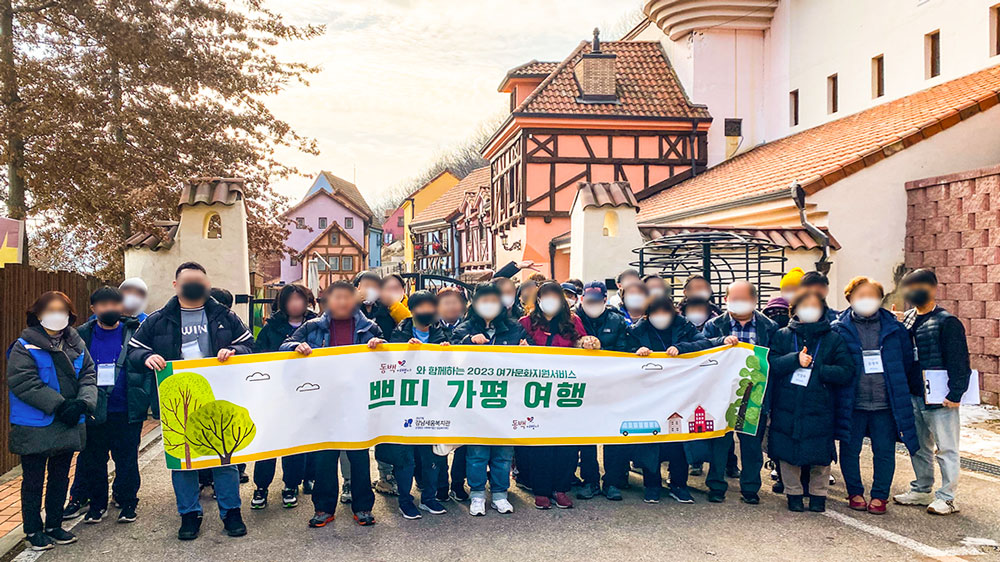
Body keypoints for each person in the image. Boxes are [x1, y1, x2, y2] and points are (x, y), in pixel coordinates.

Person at [126, 262, 253, 540]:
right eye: (188, 282)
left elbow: (249, 345)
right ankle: (189, 514)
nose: (195, 287)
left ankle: (231, 512)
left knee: (224, 458)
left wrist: (234, 350)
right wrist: (147, 357)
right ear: (176, 285)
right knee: (182, 460)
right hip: (176, 399)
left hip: (219, 396)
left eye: (200, 282)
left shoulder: (225, 316)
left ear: (208, 285)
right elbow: (134, 351)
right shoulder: (158, 319)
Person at [280, 280, 384, 528]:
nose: (342, 302)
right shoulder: (312, 327)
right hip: (323, 403)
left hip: (357, 402)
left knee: (359, 457)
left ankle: (363, 507)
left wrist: (379, 346)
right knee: (324, 459)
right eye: (337, 297)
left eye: (347, 297)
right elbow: (284, 347)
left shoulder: (369, 328)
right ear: (328, 301)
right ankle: (323, 508)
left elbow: (388, 357)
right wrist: (296, 346)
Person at [8, 291, 97, 551]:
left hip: (68, 420)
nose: (57, 315)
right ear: (37, 314)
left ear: (70, 315)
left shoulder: (77, 344)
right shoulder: (24, 346)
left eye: (62, 310)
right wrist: (60, 405)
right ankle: (33, 530)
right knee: (33, 480)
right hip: (36, 423)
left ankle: (54, 524)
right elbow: (24, 382)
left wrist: (83, 403)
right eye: (50, 310)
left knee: (60, 477)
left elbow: (88, 375)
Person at [831, 277, 919, 515]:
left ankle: (880, 495)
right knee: (850, 450)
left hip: (885, 403)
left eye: (872, 295)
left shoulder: (895, 329)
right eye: (861, 296)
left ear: (881, 299)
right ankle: (854, 492)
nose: (866, 300)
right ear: (850, 298)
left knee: (884, 451)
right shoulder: (838, 328)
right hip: (852, 402)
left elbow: (906, 362)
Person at [768, 290, 854, 512]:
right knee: (788, 453)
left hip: (821, 405)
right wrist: (794, 360)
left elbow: (846, 371)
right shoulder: (782, 335)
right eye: (804, 305)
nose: (809, 310)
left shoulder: (833, 338)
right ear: (794, 309)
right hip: (786, 404)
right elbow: (771, 364)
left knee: (820, 455)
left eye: (815, 305)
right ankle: (793, 494)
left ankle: (818, 495)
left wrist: (819, 369)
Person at [627, 296, 719, 504]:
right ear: (647, 315)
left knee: (679, 439)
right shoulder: (637, 330)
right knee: (651, 439)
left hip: (680, 394)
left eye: (665, 312)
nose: (660, 317)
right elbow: (623, 350)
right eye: (655, 313)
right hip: (649, 394)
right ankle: (652, 485)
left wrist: (682, 348)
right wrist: (636, 352)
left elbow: (704, 343)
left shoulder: (684, 326)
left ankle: (679, 484)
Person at [892, 268, 970, 516]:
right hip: (913, 394)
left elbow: (959, 360)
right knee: (918, 446)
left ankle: (948, 497)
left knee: (946, 448)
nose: (914, 291)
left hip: (940, 397)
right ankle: (922, 489)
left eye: (920, 285)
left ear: (934, 288)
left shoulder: (947, 321)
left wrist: (956, 393)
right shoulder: (907, 320)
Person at [452, 283, 529, 515]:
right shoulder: (463, 329)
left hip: (507, 400)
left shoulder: (515, 328)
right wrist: (468, 342)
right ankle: (477, 494)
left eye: (493, 300)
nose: (489, 305)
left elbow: (530, 362)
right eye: (484, 300)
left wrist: (528, 350)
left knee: (503, 452)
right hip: (477, 400)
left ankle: (499, 494)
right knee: (477, 452)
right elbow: (450, 358)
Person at [70, 287, 144, 525]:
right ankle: (97, 504)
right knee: (94, 459)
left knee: (127, 459)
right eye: (103, 304)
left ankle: (128, 501)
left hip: (127, 407)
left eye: (114, 303)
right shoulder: (81, 335)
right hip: (93, 408)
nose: (109, 308)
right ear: (94, 308)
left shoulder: (135, 332)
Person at [702, 281, 779, 504]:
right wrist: (720, 342)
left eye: (743, 299)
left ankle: (751, 489)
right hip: (722, 395)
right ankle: (716, 486)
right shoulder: (714, 325)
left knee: (751, 446)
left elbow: (774, 359)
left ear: (754, 300)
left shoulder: (769, 327)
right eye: (733, 299)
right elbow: (702, 349)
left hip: (754, 395)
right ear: (725, 300)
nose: (738, 303)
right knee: (719, 444)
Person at [378, 291, 450, 520]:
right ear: (412, 309)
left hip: (433, 404)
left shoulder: (441, 333)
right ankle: (405, 501)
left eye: (431, 306)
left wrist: (447, 351)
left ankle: (429, 498)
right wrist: (405, 350)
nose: (426, 311)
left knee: (431, 456)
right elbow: (390, 364)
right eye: (421, 306)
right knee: (405, 458)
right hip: (406, 405)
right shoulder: (399, 334)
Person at [519, 282, 587, 509]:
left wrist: (587, 343)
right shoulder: (526, 323)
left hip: (565, 391)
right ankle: (541, 490)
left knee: (566, 442)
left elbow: (582, 345)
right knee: (540, 443)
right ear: (538, 299)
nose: (550, 300)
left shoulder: (573, 321)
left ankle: (561, 488)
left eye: (555, 296)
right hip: (536, 392)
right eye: (545, 296)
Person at [250, 284, 318, 511]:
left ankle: (291, 484)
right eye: (290, 300)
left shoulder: (317, 325)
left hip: (306, 392)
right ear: (282, 302)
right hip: (275, 392)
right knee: (269, 440)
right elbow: (258, 355)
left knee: (296, 442)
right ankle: (261, 486)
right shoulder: (271, 327)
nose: (295, 304)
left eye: (300, 299)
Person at [574, 281, 629, 500]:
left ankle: (612, 482)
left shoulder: (617, 320)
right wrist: (581, 344)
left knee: (612, 434)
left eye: (597, 301)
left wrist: (601, 349)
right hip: (582, 386)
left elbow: (624, 351)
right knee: (586, 436)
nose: (592, 304)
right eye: (588, 301)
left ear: (605, 300)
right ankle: (590, 481)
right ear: (582, 299)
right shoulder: (573, 319)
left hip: (611, 385)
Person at [355, 271, 396, 337]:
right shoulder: (351, 311)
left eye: (375, 286)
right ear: (357, 288)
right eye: (366, 285)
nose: (370, 289)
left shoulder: (385, 313)